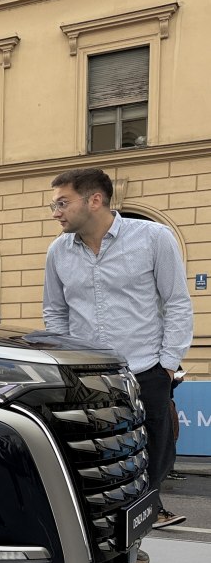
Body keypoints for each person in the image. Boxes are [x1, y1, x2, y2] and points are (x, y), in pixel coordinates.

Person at [43, 167, 193, 530]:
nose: (56, 212)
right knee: (93, 456)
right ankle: (105, 528)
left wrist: (167, 365)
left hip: (146, 370)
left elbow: (177, 302)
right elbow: (55, 310)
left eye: (62, 203)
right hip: (86, 378)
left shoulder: (153, 238)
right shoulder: (57, 252)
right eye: (53, 205)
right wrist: (67, 362)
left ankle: (143, 519)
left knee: (155, 452)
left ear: (94, 200)